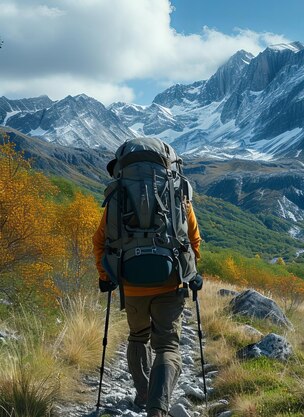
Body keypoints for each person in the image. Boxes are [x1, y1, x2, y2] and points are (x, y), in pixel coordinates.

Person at [92, 138, 203, 417]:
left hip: (132, 283)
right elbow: (193, 240)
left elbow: (100, 240)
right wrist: (192, 272)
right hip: (169, 281)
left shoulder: (118, 196)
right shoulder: (178, 195)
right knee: (167, 345)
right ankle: (158, 407)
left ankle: (143, 394)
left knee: (138, 337)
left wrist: (105, 275)